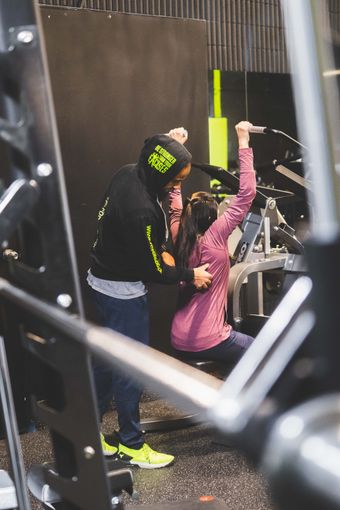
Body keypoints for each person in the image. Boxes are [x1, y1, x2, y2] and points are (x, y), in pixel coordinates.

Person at [87, 127, 212, 469]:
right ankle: (130, 444)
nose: (176, 187)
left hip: (100, 280)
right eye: (175, 180)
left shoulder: (128, 172)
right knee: (130, 368)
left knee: (106, 360)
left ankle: (89, 433)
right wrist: (192, 274)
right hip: (122, 293)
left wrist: (176, 149)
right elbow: (157, 271)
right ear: (162, 174)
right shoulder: (141, 210)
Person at [169, 121, 256, 368]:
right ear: (212, 217)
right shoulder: (215, 235)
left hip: (177, 338)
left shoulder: (178, 232)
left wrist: (175, 147)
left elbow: (174, 195)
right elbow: (247, 193)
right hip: (209, 339)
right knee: (263, 353)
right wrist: (243, 140)